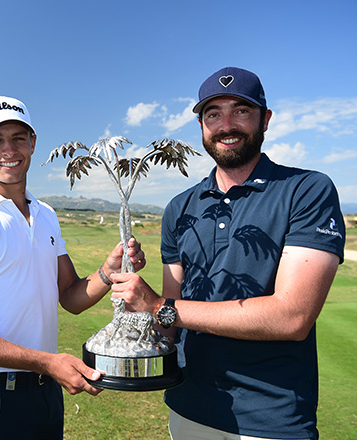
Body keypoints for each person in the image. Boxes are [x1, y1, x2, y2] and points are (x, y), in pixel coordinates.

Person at [110, 67, 346, 440]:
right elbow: (169, 322)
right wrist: (125, 342)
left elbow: (292, 316)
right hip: (187, 408)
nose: (226, 125)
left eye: (241, 110)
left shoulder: (306, 190)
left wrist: (157, 307)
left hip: (272, 420)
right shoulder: (179, 207)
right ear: (202, 126)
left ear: (265, 119)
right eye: (213, 114)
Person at [0, 96, 144, 439]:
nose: (8, 149)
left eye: (18, 138)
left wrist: (108, 270)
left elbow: (70, 297)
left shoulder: (46, 215)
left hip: (45, 393)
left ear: (32, 144)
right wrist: (46, 361)